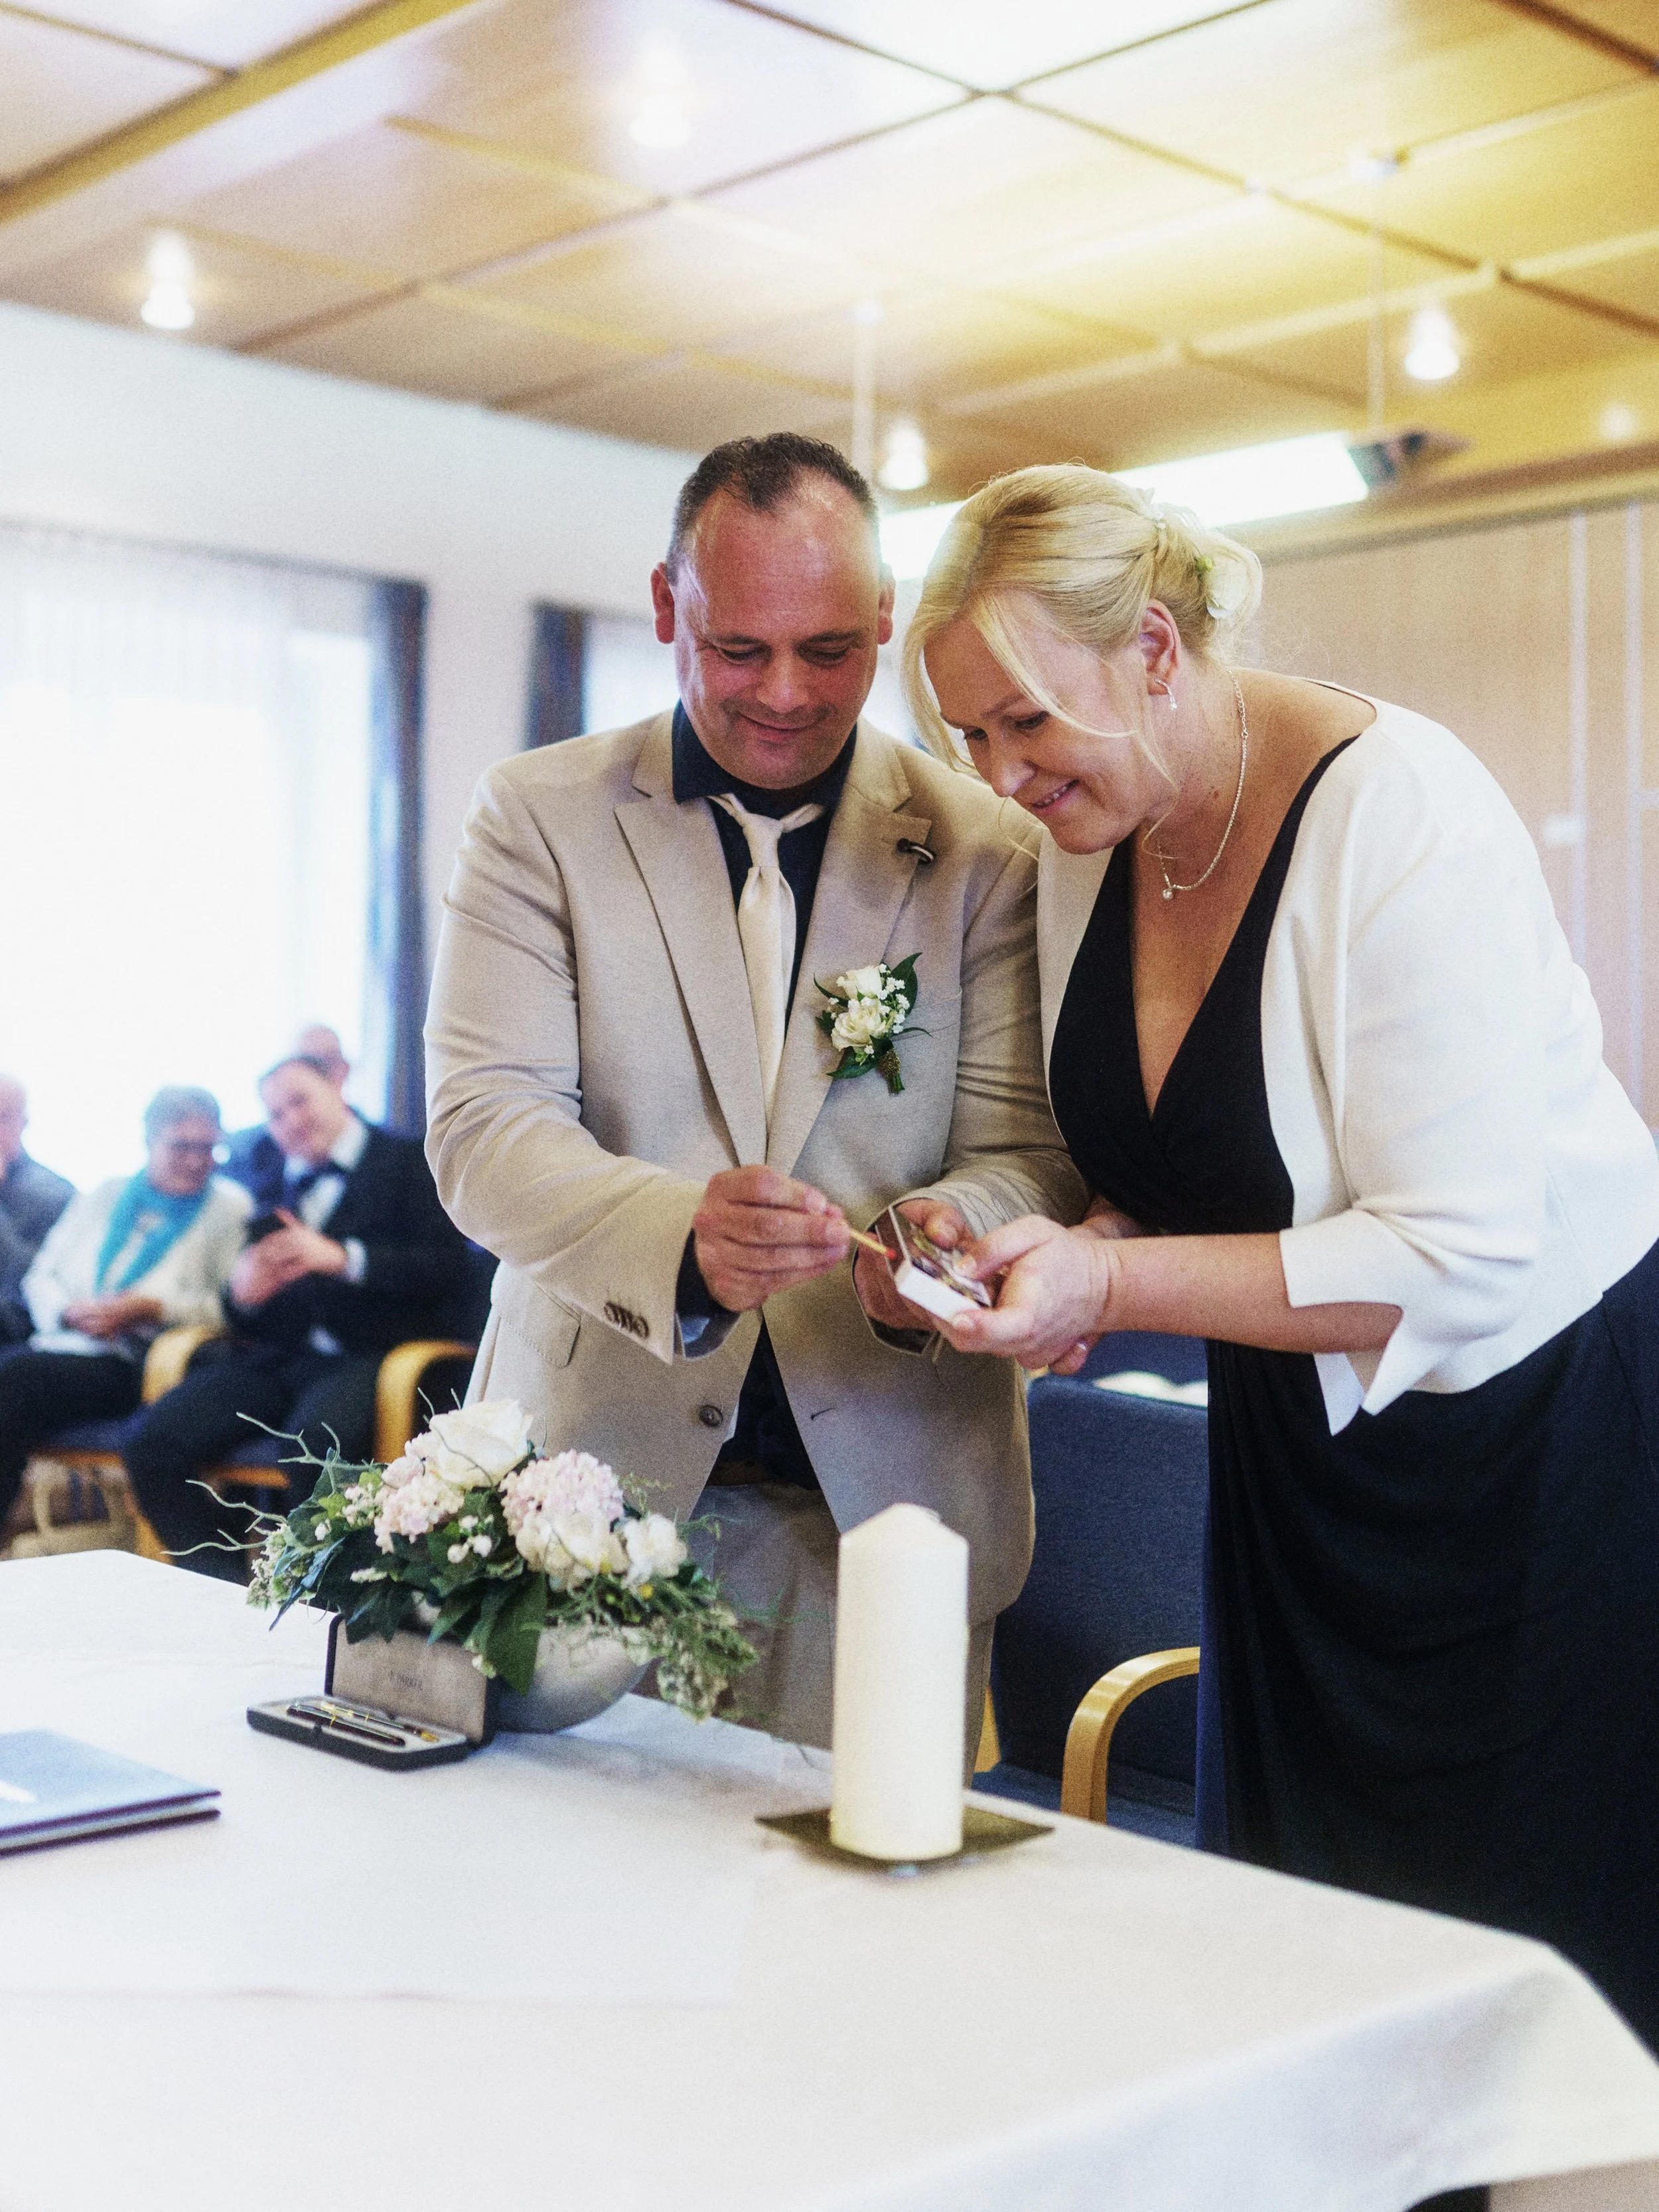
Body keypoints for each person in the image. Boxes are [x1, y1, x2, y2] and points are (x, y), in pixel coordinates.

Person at [901, 461, 1659, 2047]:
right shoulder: (1090, 832)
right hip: (1295, 1441)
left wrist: (1111, 1284)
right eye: (968, 733)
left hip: (1527, 1438)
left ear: (1154, 649)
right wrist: (1052, 1240)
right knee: (1297, 1926)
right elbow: (1185, 1156)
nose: (1001, 774)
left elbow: (1451, 1254)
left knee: (1504, 1955)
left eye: (1025, 720)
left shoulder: (1403, 809)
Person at [424, 431, 1084, 1748]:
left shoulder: (992, 850)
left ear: (885, 616)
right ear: (667, 606)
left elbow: (1034, 1152)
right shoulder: (538, 817)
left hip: (886, 1504)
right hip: (584, 1495)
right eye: (740, 649)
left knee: (865, 1876)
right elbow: (484, 1129)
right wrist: (681, 1241)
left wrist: (952, 1231)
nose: (785, 693)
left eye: (829, 650)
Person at [124, 1054, 468, 1578]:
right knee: (151, 1443)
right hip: (284, 1357)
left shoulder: (410, 1159)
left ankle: (329, 1607)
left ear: (336, 1087)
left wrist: (344, 1258)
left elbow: (448, 1268)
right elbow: (246, 1313)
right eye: (275, 1114)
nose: (289, 1121)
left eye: (299, 1101)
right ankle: (225, 1589)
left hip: (381, 1355)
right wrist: (244, 1295)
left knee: (315, 1445)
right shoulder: (264, 1176)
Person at [1, 1088, 248, 1532]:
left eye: (208, 1147)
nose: (196, 1161)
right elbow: (41, 1275)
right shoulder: (107, 1193)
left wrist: (153, 1308)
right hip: (66, 1340)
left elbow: (232, 1309)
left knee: (14, 1380)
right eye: (181, 1146)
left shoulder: (229, 1207)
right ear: (150, 1140)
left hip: (142, 1361)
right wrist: (68, 1312)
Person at [222, 1025, 351, 1194]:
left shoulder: (386, 1160)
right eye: (277, 1114)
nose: (294, 1121)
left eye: (300, 1101)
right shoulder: (251, 1154)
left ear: (334, 1083)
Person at [0, 1075, 73, 1344]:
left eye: (2, 1117)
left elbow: (34, 1279)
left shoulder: (55, 1193)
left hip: (19, 1330)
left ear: (24, 1122)